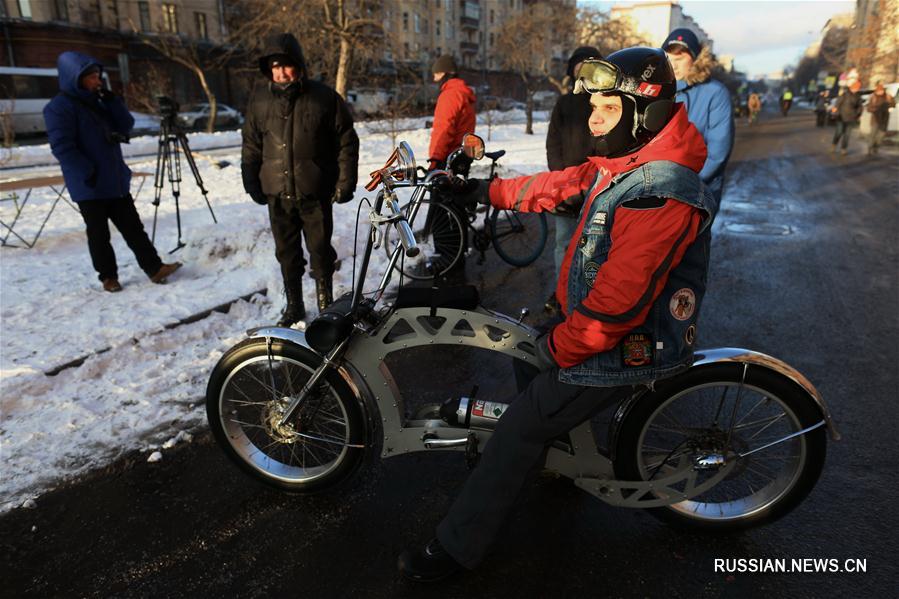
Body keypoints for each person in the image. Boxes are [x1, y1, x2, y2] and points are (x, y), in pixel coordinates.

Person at [397, 47, 717, 582]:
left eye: (608, 109)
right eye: (592, 106)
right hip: (597, 332)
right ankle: (558, 457)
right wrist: (482, 190)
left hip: (625, 348)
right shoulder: (628, 164)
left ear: (647, 113)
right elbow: (559, 185)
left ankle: (452, 552)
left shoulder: (662, 191)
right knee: (528, 354)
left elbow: (616, 307)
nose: (593, 118)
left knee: (519, 424)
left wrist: (559, 347)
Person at [241, 33, 359, 325]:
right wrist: (250, 177)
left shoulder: (324, 98)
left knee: (320, 252)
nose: (280, 72)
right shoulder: (259, 100)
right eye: (274, 67)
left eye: (286, 66)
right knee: (287, 254)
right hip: (277, 193)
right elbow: (251, 144)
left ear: (299, 65)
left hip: (314, 191)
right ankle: (294, 306)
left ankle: (325, 304)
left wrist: (345, 182)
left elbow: (347, 142)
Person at [43, 51, 181, 293]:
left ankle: (154, 268)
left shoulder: (99, 101)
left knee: (133, 228)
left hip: (115, 178)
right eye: (92, 77)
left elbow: (126, 125)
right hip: (89, 182)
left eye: (98, 76)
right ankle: (108, 277)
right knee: (99, 234)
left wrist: (112, 102)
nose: (97, 81)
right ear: (75, 78)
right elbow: (62, 147)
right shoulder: (59, 108)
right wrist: (88, 171)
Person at [544, 45, 602, 316]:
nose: (585, 67)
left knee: (596, 245)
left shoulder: (604, 103)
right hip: (566, 187)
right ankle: (562, 293)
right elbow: (552, 143)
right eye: (580, 63)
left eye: (591, 62)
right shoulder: (564, 103)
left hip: (597, 188)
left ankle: (590, 297)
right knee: (564, 243)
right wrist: (560, 177)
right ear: (572, 69)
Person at [662, 28, 734, 203]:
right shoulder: (659, 90)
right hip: (659, 185)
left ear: (695, 59)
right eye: (668, 59)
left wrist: (684, 186)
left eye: (679, 59)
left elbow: (717, 153)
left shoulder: (715, 93)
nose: (673, 65)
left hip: (699, 187)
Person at [428, 55, 476, 171]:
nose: (434, 79)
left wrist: (436, 159)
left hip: (448, 158)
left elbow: (444, 128)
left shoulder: (450, 95)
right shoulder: (463, 93)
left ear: (445, 74)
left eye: (436, 74)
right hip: (462, 156)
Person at [831, 80, 863, 156]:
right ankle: (834, 144)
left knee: (847, 135)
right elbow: (838, 103)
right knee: (839, 132)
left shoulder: (858, 97)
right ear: (851, 88)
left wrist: (858, 114)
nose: (856, 89)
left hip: (851, 118)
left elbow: (860, 107)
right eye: (855, 88)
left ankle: (843, 149)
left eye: (857, 88)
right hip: (841, 117)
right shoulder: (845, 95)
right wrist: (835, 109)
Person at [866, 82, 895, 156]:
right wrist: (875, 110)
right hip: (875, 119)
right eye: (878, 91)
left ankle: (876, 146)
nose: (880, 92)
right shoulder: (873, 97)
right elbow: (868, 108)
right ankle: (869, 148)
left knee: (881, 135)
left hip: (884, 119)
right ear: (876, 91)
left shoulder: (888, 96)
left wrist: (891, 107)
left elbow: (893, 103)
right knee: (872, 135)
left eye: (881, 90)